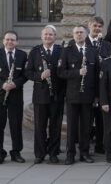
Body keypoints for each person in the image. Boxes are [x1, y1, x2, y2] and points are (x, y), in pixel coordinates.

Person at [58, 26, 99, 165]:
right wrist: (77, 72)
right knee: (72, 127)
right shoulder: (67, 51)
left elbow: (96, 75)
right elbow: (61, 72)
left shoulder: (92, 51)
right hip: (73, 95)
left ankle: (85, 153)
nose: (79, 35)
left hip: (88, 95)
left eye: (81, 32)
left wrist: (97, 95)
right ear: (73, 35)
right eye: (76, 33)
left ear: (86, 34)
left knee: (86, 126)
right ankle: (70, 154)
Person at [25, 25, 65, 164]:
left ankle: (53, 153)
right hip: (40, 96)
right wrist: (40, 75)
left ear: (55, 37)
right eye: (45, 35)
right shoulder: (35, 52)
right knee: (40, 126)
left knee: (56, 126)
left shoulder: (61, 51)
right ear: (42, 36)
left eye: (51, 35)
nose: (48, 37)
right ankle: (40, 154)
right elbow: (28, 72)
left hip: (57, 95)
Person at [0, 31, 28, 164]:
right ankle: (0, 152)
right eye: (7, 39)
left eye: (12, 40)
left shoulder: (22, 55)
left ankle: (16, 152)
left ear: (17, 42)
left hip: (16, 95)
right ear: (3, 41)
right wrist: (3, 85)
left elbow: (25, 75)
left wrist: (15, 84)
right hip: (0, 95)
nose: (10, 42)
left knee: (15, 125)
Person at [86, 16, 111, 155]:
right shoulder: (82, 42)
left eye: (100, 26)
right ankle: (85, 147)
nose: (97, 28)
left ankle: (100, 146)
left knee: (102, 120)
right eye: (95, 26)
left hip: (102, 88)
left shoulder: (107, 45)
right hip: (87, 87)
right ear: (89, 26)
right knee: (86, 120)